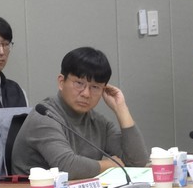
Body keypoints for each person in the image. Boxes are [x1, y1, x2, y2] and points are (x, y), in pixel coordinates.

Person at [11, 47, 149, 179]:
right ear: (61, 82)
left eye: (95, 87)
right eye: (79, 83)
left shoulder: (97, 122)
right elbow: (67, 166)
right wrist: (110, 165)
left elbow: (137, 162)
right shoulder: (45, 116)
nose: (86, 94)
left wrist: (121, 108)